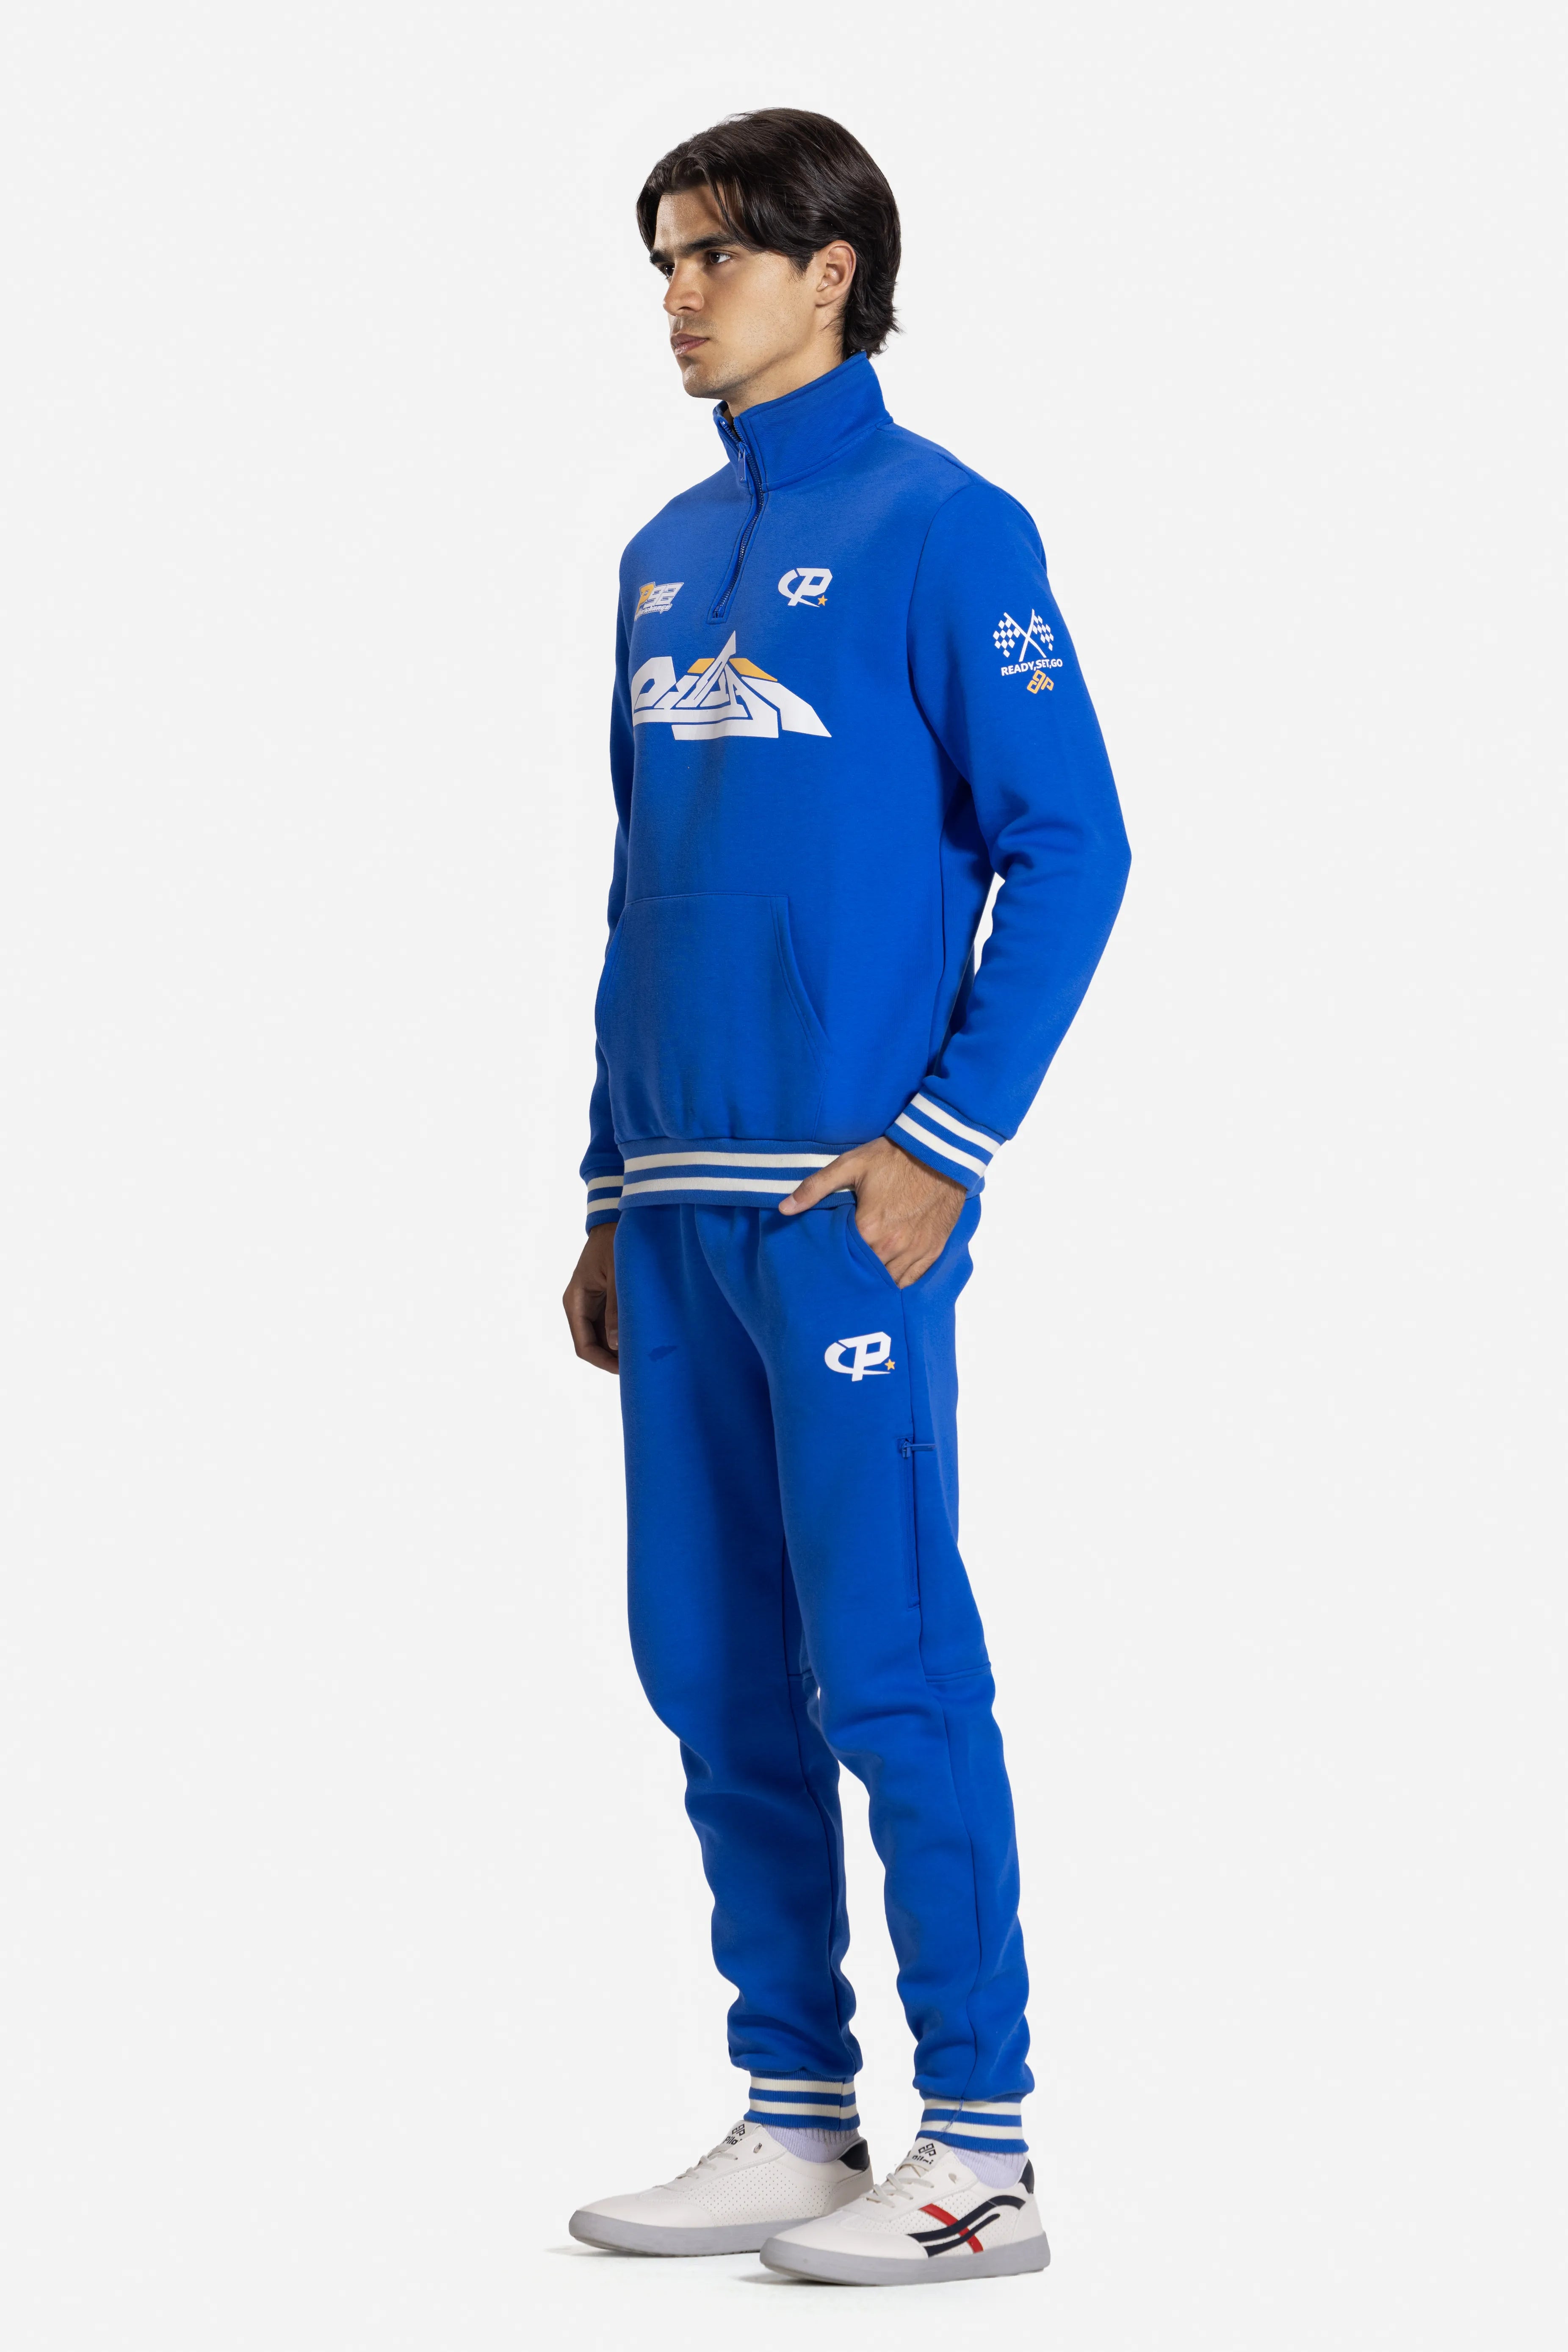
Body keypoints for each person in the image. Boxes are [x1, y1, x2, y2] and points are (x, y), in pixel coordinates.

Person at [561, 108, 1129, 2286]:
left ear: (833, 272)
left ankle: (978, 2154)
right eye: (660, 260)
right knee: (707, 1663)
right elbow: (642, 895)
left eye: (714, 254)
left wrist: (942, 1143)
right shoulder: (655, 553)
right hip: (675, 1209)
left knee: (884, 1663)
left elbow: (1070, 846)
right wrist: (602, 1182)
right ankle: (798, 2112)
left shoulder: (946, 528)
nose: (678, 295)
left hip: (843, 1207)